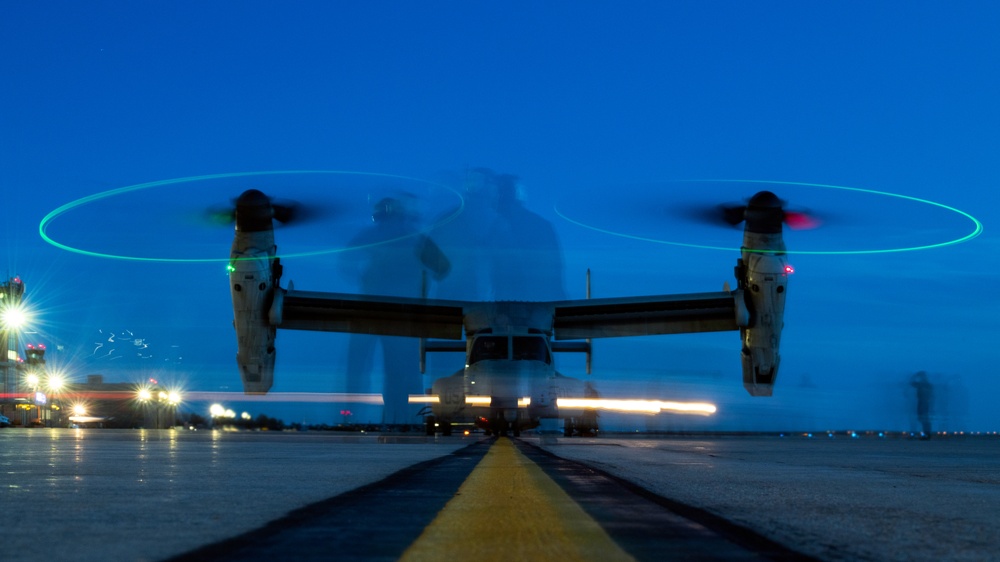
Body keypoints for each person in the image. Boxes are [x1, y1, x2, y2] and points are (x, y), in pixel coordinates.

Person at [339, 196, 450, 427]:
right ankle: (402, 418)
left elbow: (346, 260)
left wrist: (365, 277)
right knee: (400, 370)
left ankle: (351, 417)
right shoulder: (415, 238)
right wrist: (421, 286)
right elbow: (442, 267)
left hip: (370, 309)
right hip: (402, 313)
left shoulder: (372, 235)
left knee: (360, 365)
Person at [910, 371, 933, 439]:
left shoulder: (927, 385)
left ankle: (927, 434)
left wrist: (915, 375)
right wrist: (915, 375)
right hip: (921, 402)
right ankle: (926, 434)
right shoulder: (922, 384)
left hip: (924, 402)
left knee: (924, 418)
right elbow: (911, 383)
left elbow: (931, 395)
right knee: (922, 418)